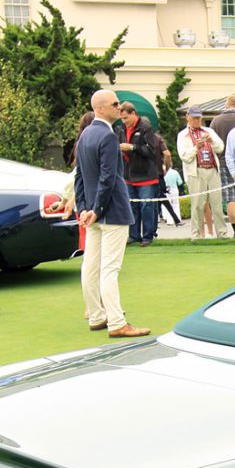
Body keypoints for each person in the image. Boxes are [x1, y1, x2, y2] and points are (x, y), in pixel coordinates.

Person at [75, 90, 149, 338]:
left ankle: (97, 316)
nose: (119, 107)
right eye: (115, 104)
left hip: (96, 212)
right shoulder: (106, 135)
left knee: (91, 266)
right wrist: (94, 210)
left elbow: (81, 177)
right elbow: (107, 177)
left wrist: (85, 208)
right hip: (111, 211)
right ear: (100, 108)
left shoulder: (85, 134)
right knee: (108, 269)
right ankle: (116, 322)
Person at [176, 106, 227, 240]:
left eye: (199, 118)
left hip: (212, 169)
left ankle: (222, 233)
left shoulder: (208, 131)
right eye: (194, 118)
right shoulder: (182, 135)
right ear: (188, 117)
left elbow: (220, 147)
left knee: (217, 204)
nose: (197, 121)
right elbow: (185, 156)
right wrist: (196, 148)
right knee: (197, 205)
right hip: (196, 172)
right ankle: (196, 235)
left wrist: (212, 141)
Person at [114, 102, 160, 246]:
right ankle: (133, 235)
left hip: (146, 175)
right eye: (122, 119)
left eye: (126, 118)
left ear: (133, 114)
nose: (124, 121)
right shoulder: (120, 129)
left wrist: (133, 147)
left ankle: (148, 236)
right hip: (128, 175)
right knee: (131, 206)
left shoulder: (146, 128)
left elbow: (152, 150)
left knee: (146, 206)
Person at [211, 94, 235, 237]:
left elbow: (212, 143)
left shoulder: (216, 121)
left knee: (231, 198)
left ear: (226, 104)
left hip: (223, 162)